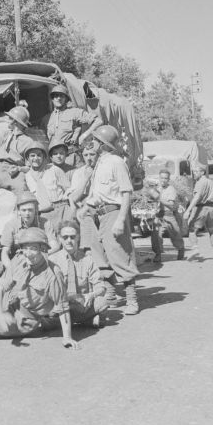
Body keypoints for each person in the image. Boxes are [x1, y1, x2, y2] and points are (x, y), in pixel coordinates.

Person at [0, 227, 81, 349]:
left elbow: (63, 308)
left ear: (43, 250)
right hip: (11, 299)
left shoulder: (52, 274)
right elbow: (0, 288)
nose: (28, 253)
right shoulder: (20, 258)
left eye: (33, 249)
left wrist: (67, 337)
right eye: (25, 248)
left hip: (23, 319)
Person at [79, 125, 140, 315]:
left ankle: (131, 299)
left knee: (119, 254)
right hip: (96, 214)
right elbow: (98, 193)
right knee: (100, 257)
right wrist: (86, 207)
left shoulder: (115, 162)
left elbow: (126, 192)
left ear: (103, 143)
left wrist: (121, 220)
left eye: (96, 140)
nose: (93, 143)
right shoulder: (99, 163)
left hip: (112, 213)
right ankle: (111, 294)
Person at [49, 221, 109, 328]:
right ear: (60, 238)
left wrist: (91, 295)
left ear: (78, 237)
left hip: (82, 305)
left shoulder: (88, 260)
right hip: (62, 305)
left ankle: (62, 324)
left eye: (72, 237)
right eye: (65, 237)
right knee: (46, 308)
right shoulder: (52, 260)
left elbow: (101, 287)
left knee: (102, 302)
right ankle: (86, 322)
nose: (69, 241)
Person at [41, 84, 102, 166]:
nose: (58, 98)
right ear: (52, 99)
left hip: (71, 157)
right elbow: (43, 139)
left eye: (61, 96)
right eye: (56, 96)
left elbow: (98, 121)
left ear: (66, 99)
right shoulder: (47, 118)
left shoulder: (75, 112)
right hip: (54, 159)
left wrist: (84, 136)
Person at [0, 191, 60, 269]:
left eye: (30, 210)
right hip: (20, 263)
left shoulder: (45, 223)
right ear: (18, 211)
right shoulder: (11, 226)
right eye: (23, 210)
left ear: (36, 210)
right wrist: (10, 269)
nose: (27, 213)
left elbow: (55, 246)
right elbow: (5, 252)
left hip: (41, 260)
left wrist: (38, 255)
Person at [25, 140, 74, 229]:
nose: (36, 158)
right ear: (28, 158)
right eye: (32, 155)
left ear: (44, 157)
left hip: (60, 211)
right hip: (42, 215)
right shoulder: (27, 176)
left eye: (39, 155)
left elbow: (69, 190)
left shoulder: (54, 170)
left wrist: (70, 210)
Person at [183, 163, 213, 261]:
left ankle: (195, 249)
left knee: (192, 230)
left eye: (196, 171)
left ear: (202, 172)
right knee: (212, 231)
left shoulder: (200, 182)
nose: (194, 174)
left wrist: (188, 210)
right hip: (211, 209)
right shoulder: (212, 182)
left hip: (201, 208)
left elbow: (197, 197)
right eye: (193, 172)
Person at [149, 170, 185, 262]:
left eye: (166, 178)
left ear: (168, 179)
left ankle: (180, 249)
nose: (163, 180)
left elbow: (171, 205)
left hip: (169, 215)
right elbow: (152, 200)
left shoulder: (171, 189)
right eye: (162, 178)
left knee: (175, 235)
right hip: (159, 215)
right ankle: (158, 254)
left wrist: (159, 198)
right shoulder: (157, 188)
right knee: (156, 236)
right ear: (159, 178)